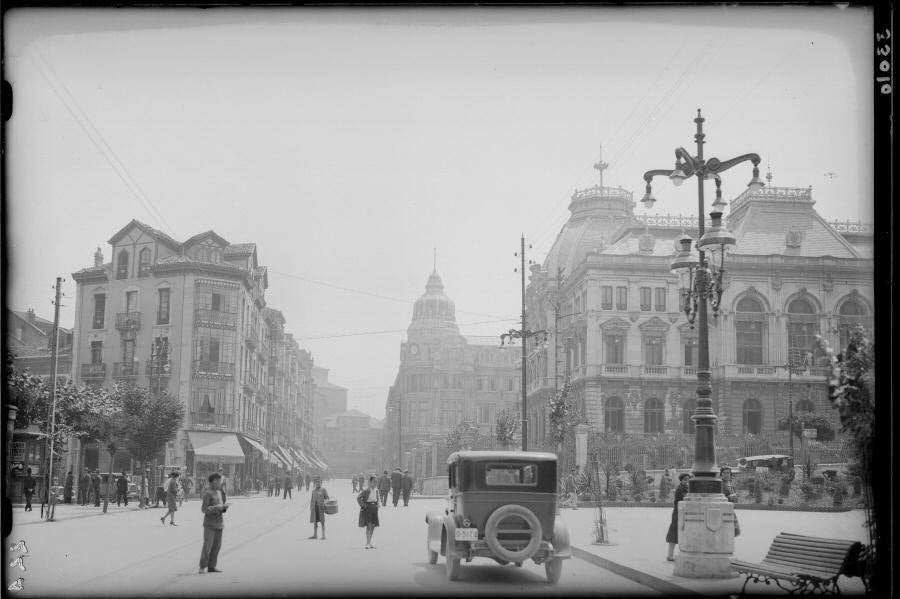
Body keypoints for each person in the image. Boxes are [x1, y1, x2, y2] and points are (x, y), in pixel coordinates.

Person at [199, 472, 229, 574]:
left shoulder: (219, 493)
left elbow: (221, 506)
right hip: (209, 524)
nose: (221, 483)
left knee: (217, 546)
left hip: (219, 522)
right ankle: (202, 566)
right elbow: (204, 509)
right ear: (214, 481)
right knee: (208, 545)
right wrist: (216, 508)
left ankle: (212, 566)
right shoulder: (208, 493)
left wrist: (223, 508)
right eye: (219, 481)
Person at [666, 473, 692, 561]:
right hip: (678, 513)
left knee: (683, 534)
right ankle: (670, 555)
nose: (687, 481)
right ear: (681, 481)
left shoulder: (687, 488)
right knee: (674, 534)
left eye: (688, 480)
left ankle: (682, 554)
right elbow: (685, 499)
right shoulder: (680, 489)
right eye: (685, 480)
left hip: (684, 513)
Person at [358, 476, 380, 549]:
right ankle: (367, 543)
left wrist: (378, 505)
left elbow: (377, 498)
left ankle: (370, 542)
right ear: (370, 482)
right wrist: (363, 505)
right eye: (373, 481)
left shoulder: (376, 490)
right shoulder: (366, 490)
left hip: (374, 508)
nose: (375, 483)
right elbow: (358, 498)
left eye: (376, 481)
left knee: (373, 525)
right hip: (368, 507)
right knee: (369, 525)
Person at [720, 467, 740, 537]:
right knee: (727, 531)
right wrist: (729, 497)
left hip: (730, 509)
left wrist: (735, 497)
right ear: (721, 474)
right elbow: (718, 499)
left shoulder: (731, 484)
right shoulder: (719, 484)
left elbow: (735, 497)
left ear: (730, 474)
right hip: (722, 511)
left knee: (733, 531)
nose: (726, 475)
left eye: (728, 473)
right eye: (724, 473)